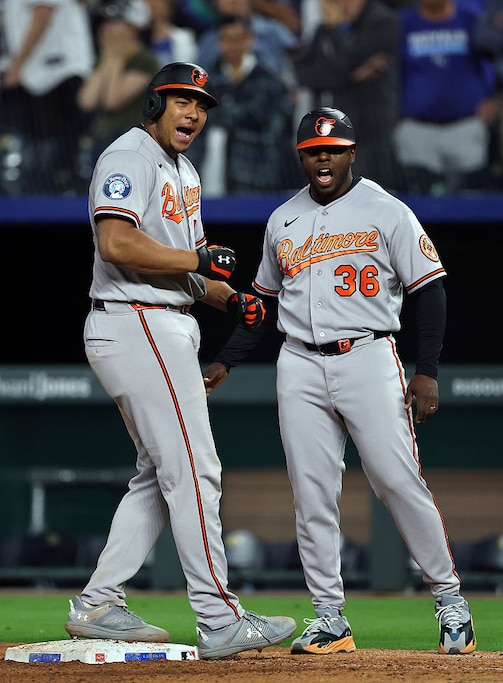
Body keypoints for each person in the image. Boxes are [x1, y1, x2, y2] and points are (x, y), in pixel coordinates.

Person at [203, 107, 477, 656]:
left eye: (333, 148)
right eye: (313, 150)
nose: (322, 157)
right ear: (301, 156)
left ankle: (452, 603)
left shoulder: (386, 210)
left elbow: (430, 289)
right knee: (311, 496)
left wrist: (426, 370)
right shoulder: (282, 218)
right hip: (298, 362)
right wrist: (228, 358)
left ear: (351, 153)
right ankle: (329, 618)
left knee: (398, 482)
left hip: (369, 356)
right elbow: (263, 300)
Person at [63, 60, 296, 660]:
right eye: (181, 101)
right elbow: (115, 242)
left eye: (201, 104)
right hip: (137, 321)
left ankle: (98, 603)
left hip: (159, 320)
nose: (193, 111)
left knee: (158, 473)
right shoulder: (129, 156)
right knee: (196, 469)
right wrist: (198, 266)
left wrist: (226, 297)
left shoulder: (183, 169)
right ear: (154, 105)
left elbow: (183, 261)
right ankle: (219, 618)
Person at [292, 0, 402, 189]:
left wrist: (337, 32)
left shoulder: (381, 21)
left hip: (370, 126)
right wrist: (353, 77)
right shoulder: (324, 30)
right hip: (330, 128)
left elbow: (348, 60)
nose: (341, 4)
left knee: (372, 189)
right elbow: (303, 74)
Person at [394, 0, 501, 194]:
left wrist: (496, 99)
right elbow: (389, 74)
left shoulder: (473, 19)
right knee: (417, 205)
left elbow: (497, 58)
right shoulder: (401, 24)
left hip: (467, 128)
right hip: (416, 131)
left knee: (472, 205)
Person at [192, 14, 300, 195]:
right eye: (227, 39)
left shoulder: (269, 81)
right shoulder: (207, 82)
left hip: (263, 172)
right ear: (219, 42)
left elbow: (274, 124)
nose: (232, 44)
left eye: (238, 38)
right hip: (213, 167)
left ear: (250, 40)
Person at [0, 0, 95, 194]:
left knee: (54, 153)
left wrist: (17, 64)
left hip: (57, 72)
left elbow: (43, 13)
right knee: (39, 153)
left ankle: (59, 205)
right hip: (35, 75)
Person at [77, 0, 159, 167]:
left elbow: (112, 101)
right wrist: (109, 57)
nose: (105, 28)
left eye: (114, 23)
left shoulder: (145, 60)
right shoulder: (104, 57)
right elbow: (86, 101)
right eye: (104, 22)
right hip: (103, 138)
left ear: (133, 27)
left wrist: (116, 58)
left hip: (132, 141)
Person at [142, 0, 198, 67]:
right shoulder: (137, 37)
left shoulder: (184, 37)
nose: (153, 5)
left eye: (158, 1)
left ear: (169, 7)